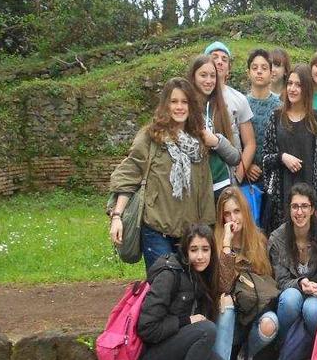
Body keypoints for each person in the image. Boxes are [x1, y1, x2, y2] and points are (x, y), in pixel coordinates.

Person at [109, 78, 215, 268]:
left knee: (187, 292)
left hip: (189, 235)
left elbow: (205, 192)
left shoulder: (198, 144)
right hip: (156, 230)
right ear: (165, 105)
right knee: (164, 285)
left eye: (184, 102)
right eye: (174, 102)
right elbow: (129, 173)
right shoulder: (151, 137)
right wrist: (117, 216)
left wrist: (206, 232)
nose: (179, 107)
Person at [137, 224, 228, 360]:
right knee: (206, 330)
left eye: (205, 249)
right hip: (153, 355)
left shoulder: (203, 276)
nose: (200, 256)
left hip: (180, 346)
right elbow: (147, 327)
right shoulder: (170, 274)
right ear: (185, 251)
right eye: (194, 250)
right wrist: (186, 321)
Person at [214, 187, 281, 360]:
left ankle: (246, 355)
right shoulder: (215, 242)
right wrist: (226, 245)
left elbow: (267, 285)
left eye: (237, 211)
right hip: (228, 319)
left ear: (245, 212)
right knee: (226, 307)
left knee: (271, 323)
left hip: (254, 312)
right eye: (227, 214)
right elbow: (223, 285)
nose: (233, 218)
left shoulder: (258, 240)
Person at [268, 184, 317, 355]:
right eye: (295, 206)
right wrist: (300, 283)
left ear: (312, 209)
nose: (299, 212)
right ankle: (283, 352)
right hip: (291, 291)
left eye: (304, 206)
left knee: (311, 310)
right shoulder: (277, 238)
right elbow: (279, 281)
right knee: (291, 298)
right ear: (289, 209)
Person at [260, 67, 317, 233]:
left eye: (298, 84)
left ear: (306, 88)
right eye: (290, 83)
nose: (292, 88)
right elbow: (265, 159)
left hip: (309, 199)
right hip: (281, 198)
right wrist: (281, 157)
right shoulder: (276, 117)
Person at [187, 55, 242, 199]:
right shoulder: (184, 108)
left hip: (221, 186)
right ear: (193, 77)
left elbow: (236, 157)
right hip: (194, 189)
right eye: (203, 75)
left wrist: (217, 142)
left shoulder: (222, 109)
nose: (209, 81)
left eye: (213, 76)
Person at [204, 41, 256, 183]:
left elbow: (250, 143)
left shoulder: (239, 99)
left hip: (228, 176)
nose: (219, 62)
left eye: (224, 59)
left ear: (228, 69)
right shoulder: (191, 98)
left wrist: (238, 176)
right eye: (214, 57)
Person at [245, 49, 280, 187]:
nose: (259, 71)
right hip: (248, 177)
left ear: (271, 74)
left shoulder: (280, 106)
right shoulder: (241, 104)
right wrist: (246, 165)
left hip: (274, 176)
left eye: (264, 68)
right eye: (255, 68)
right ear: (248, 73)